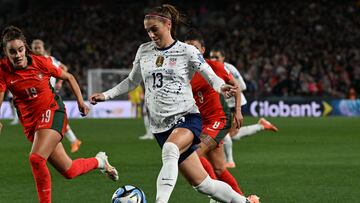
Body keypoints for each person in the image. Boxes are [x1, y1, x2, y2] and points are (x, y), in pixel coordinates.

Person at [90, 4, 256, 203]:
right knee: (203, 184)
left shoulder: (187, 51)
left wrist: (222, 87)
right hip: (160, 126)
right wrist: (106, 95)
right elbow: (132, 81)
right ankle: (244, 202)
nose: (151, 34)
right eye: (147, 30)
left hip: (186, 117)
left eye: (154, 29)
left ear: (168, 24)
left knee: (170, 150)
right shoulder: (143, 51)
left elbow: (211, 77)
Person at [0, 26, 118, 203]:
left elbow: (69, 77)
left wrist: (80, 102)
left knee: (36, 159)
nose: (17, 55)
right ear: (5, 52)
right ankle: (100, 161)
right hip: (31, 124)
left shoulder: (42, 62)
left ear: (25, 47)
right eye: (12, 52)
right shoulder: (3, 70)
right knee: (69, 171)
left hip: (53, 111)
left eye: (20, 50)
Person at [184, 30, 259, 203]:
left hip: (218, 119)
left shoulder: (213, 66)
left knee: (193, 153)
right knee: (219, 169)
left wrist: (238, 111)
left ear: (202, 50)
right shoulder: (183, 72)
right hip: (201, 123)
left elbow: (237, 86)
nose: (190, 50)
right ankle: (245, 200)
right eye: (187, 47)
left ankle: (216, 197)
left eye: (194, 47)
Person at [209, 46, 278, 168]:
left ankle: (229, 161)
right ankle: (261, 126)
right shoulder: (208, 69)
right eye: (212, 56)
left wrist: (228, 91)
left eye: (217, 57)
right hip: (222, 104)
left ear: (223, 58)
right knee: (232, 135)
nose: (213, 59)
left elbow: (242, 86)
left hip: (235, 104)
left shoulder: (229, 68)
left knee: (224, 132)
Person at [31, 39, 82, 153]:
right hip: (39, 96)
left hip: (50, 93)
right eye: (35, 48)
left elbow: (64, 68)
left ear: (43, 48)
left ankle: (58, 144)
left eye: (39, 47)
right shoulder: (31, 60)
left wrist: (59, 82)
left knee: (48, 121)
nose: (37, 50)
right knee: (50, 120)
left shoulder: (50, 60)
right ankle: (72, 141)